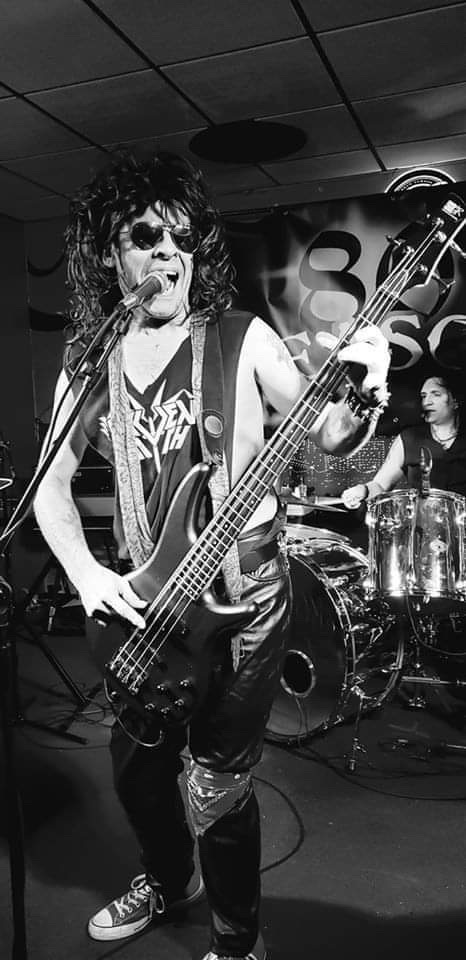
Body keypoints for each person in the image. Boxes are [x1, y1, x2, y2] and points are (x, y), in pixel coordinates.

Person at [33, 151, 390, 960]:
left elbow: (328, 442)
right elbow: (49, 486)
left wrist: (365, 391)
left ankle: (237, 942)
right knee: (137, 772)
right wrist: (86, 574)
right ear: (110, 255)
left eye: (183, 239)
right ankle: (168, 880)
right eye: (146, 237)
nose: (170, 254)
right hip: (148, 605)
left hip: (244, 598)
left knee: (217, 781)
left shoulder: (240, 337)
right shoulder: (89, 362)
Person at [341, 373, 466, 509]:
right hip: (421, 520)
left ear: (455, 400)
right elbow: (380, 485)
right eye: (424, 396)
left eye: (436, 394)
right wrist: (363, 490)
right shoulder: (409, 438)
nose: (427, 402)